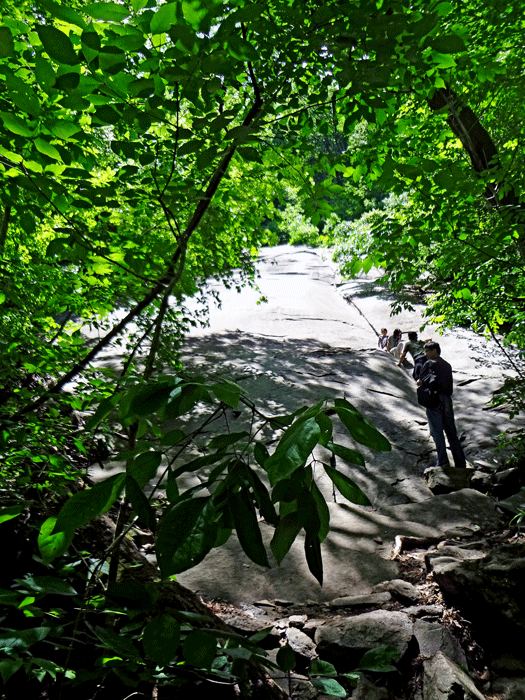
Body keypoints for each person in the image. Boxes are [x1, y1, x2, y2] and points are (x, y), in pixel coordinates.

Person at [418, 341, 466, 469]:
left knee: (437, 432)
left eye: (428, 351)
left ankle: (443, 462)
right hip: (447, 400)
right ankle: (460, 463)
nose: (426, 354)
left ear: (435, 351)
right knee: (451, 433)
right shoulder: (447, 365)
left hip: (434, 401)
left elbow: (422, 381)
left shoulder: (429, 364)